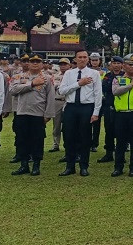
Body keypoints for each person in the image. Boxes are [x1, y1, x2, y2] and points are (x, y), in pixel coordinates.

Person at [57, 49, 102, 177]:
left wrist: (96, 112)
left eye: (84, 57)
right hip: (71, 107)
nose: (82, 59)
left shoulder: (94, 73)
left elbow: (98, 93)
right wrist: (78, 84)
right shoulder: (69, 74)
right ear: (75, 59)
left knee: (85, 137)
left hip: (86, 107)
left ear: (88, 59)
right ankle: (70, 166)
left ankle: (84, 166)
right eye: (80, 57)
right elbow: (62, 91)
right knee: (69, 137)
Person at [9, 55, 55, 176]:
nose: (35, 63)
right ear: (28, 63)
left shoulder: (47, 78)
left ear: (42, 64)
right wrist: (31, 84)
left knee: (37, 140)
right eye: (32, 61)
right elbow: (13, 91)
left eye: (37, 62)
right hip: (22, 112)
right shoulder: (19, 76)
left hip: (38, 114)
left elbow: (50, 97)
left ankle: (36, 165)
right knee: (21, 140)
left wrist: (48, 114)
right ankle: (24, 165)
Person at [110, 54, 133, 177]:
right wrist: (131, 85)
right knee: (120, 142)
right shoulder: (117, 79)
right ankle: (118, 167)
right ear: (124, 66)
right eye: (129, 64)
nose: (132, 67)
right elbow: (115, 92)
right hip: (120, 114)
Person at [97, 56, 124, 163]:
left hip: (121, 107)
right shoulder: (107, 76)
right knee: (109, 130)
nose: (116, 65)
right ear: (111, 65)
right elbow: (105, 88)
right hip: (109, 106)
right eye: (114, 63)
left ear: (122, 65)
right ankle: (108, 154)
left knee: (121, 131)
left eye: (118, 63)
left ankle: (120, 154)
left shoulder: (125, 76)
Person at [50, 58, 71, 152]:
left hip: (68, 100)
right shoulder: (55, 76)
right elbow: (52, 87)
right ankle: (56, 144)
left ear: (69, 65)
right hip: (57, 100)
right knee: (56, 124)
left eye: (65, 64)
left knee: (68, 124)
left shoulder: (72, 75)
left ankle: (68, 144)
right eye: (61, 64)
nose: (63, 66)